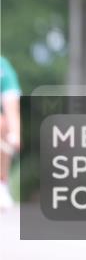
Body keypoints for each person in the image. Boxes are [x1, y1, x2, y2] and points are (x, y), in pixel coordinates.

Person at [0, 56, 22, 213]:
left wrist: (14, 135)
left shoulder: (3, 67)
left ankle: (1, 184)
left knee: (3, 125)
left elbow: (11, 107)